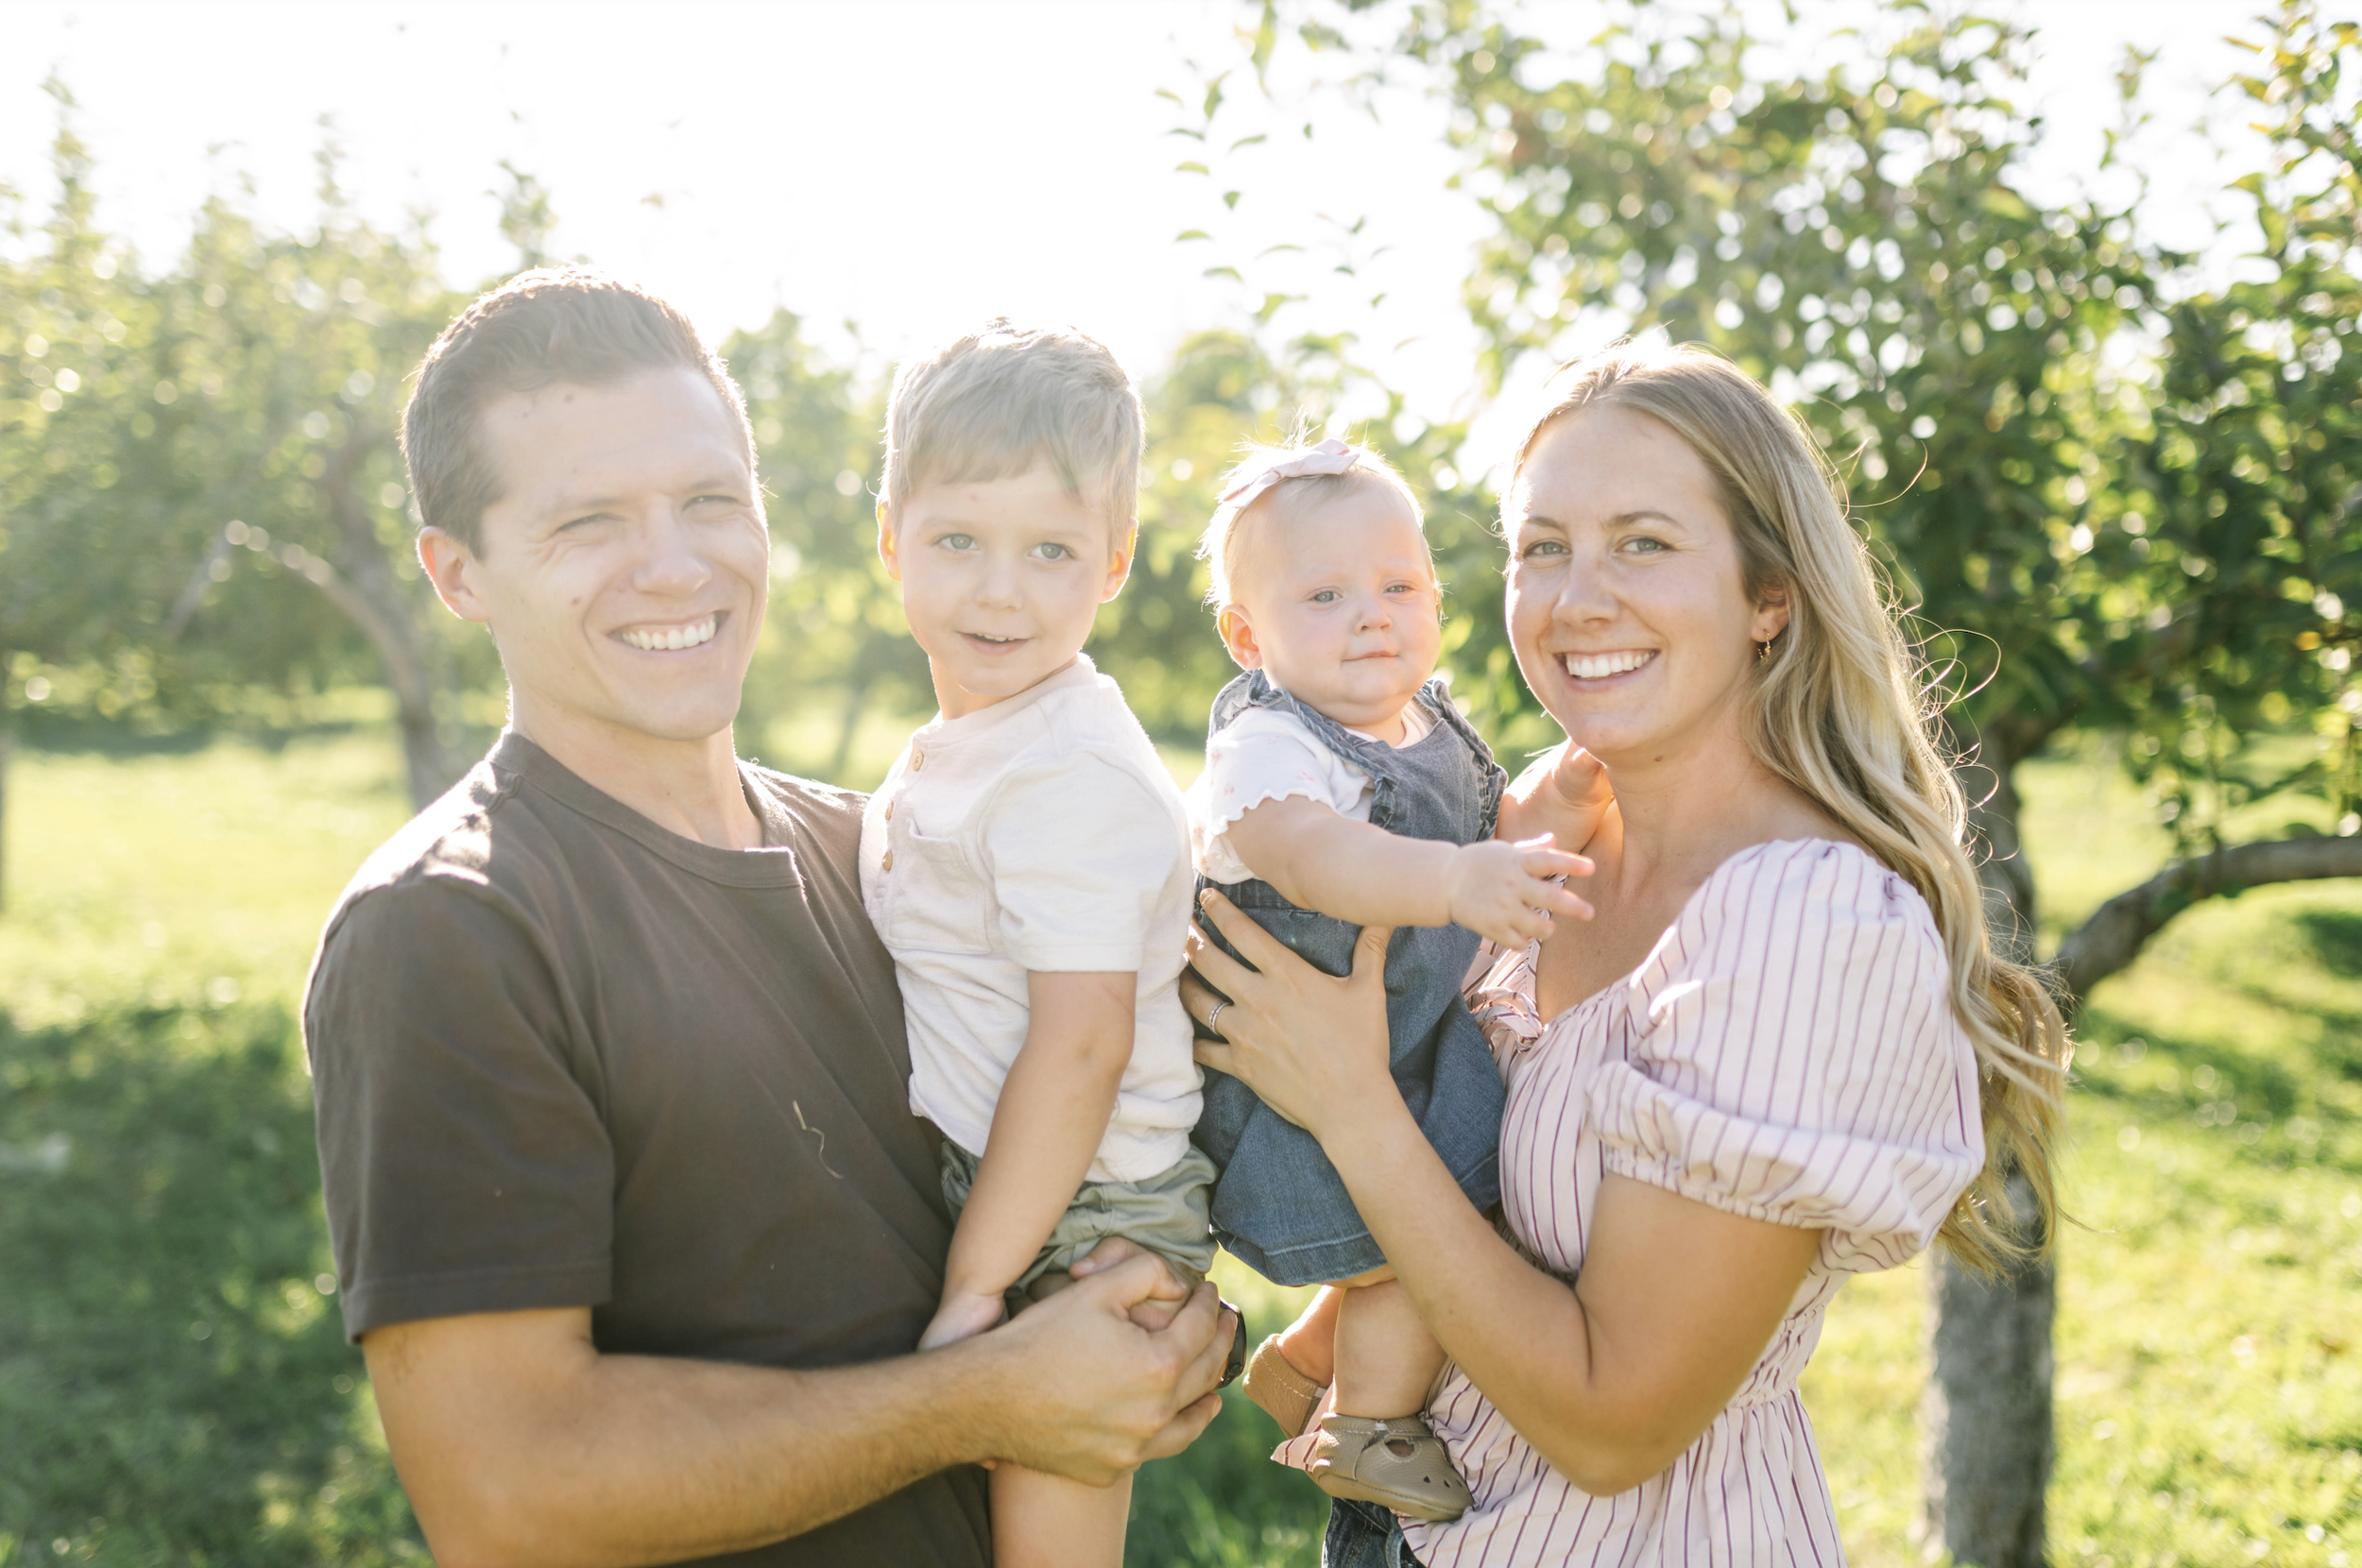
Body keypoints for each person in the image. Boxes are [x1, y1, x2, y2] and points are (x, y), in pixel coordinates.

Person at [302, 269, 1236, 1568]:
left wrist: (1158, 1324)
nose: (673, 564)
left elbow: (1104, 1091)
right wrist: (991, 1394)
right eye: (587, 523)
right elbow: (505, 1494)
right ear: (457, 575)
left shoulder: (889, 850)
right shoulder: (452, 931)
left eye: (708, 502)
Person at [1182, 339, 2069, 1564]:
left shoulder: (1801, 925)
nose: (1577, 599)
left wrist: (1346, 1101)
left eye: (1643, 542)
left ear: (1770, 596)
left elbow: (1612, 1428)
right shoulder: (1553, 836)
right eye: (1542, 548)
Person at [861, 319, 1218, 1567]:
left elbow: (1082, 1046)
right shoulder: (978, 743)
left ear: (1114, 564)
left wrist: (975, 1291)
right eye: (959, 541)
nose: (1000, 590)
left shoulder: (1070, 773)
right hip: (1014, 1183)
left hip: (1088, 1218)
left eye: (1051, 550)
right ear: (891, 541)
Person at [1184, 436, 1591, 1523]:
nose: (1372, 613)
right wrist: (1460, 879)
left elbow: (1475, 837)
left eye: (1398, 585)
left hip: (1402, 1053)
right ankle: (1366, 1425)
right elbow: (1318, 858)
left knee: (1472, 1218)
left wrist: (1537, 827)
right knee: (1421, 1247)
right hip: (1287, 1099)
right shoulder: (1270, 749)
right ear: (1246, 637)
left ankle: (1306, 1357)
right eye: (1324, 594)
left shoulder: (1429, 719)